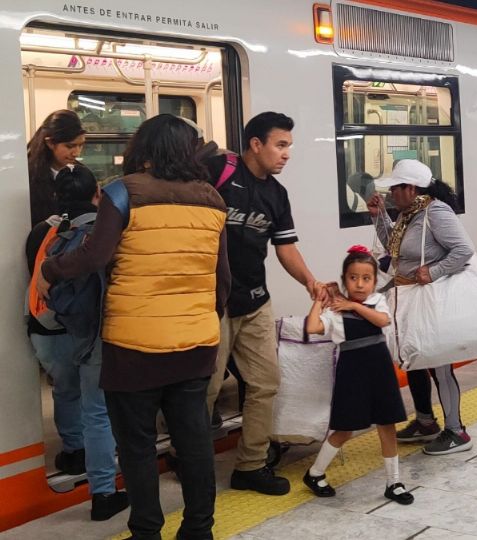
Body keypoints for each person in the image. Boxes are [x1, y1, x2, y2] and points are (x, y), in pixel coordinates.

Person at [39, 114, 229, 540]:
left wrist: (51, 269)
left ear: (143, 149)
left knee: (138, 445)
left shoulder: (124, 193)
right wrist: (201, 321)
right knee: (194, 440)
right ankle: (199, 529)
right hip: (196, 342)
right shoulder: (213, 200)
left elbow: (93, 256)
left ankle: (147, 531)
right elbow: (223, 280)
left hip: (134, 346)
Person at [204, 112, 321, 495]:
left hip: (255, 302)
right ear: (256, 144)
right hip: (211, 303)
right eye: (280, 145)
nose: (286, 154)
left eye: (289, 146)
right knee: (204, 390)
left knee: (265, 383)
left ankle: (250, 465)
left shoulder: (276, 194)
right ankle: (193, 462)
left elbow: (284, 247)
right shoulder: (217, 170)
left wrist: (310, 282)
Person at [26, 165, 128, 521]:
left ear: (56, 195)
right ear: (97, 193)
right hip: (92, 329)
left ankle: (72, 451)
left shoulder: (41, 230)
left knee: (65, 393)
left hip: (48, 327)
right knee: (98, 410)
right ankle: (103, 490)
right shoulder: (104, 228)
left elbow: (34, 275)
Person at [368, 159, 476, 455]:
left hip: (432, 299)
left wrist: (434, 271)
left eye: (395, 188)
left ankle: (456, 430)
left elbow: (464, 250)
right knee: (415, 358)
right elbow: (395, 248)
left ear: (411, 188)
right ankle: (426, 422)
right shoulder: (408, 214)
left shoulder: (436, 212)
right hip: (410, 296)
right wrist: (379, 217)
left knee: (439, 362)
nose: (391, 194)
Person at [301, 246, 414, 505]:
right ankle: (315, 473)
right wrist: (320, 299)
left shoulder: (377, 303)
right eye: (353, 278)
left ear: (375, 282)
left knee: (387, 424)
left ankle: (393, 482)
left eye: (366, 278)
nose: (360, 284)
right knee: (345, 429)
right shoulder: (335, 313)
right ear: (344, 280)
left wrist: (352, 304)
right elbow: (312, 327)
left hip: (380, 370)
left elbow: (382, 321)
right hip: (352, 373)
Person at [27, 110, 87, 226]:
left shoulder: (81, 173)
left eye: (81, 145)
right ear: (50, 143)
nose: (77, 153)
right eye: (70, 146)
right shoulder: (30, 177)